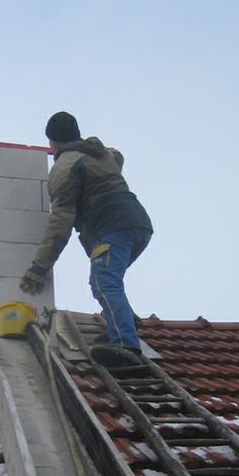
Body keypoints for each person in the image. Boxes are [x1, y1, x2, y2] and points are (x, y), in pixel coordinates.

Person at [19, 111, 153, 355]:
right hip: (139, 226)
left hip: (112, 228)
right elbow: (117, 156)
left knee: (106, 282)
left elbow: (60, 223)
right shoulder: (103, 154)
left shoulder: (65, 168)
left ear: (53, 142)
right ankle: (123, 321)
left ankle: (125, 345)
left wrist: (39, 268)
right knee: (101, 281)